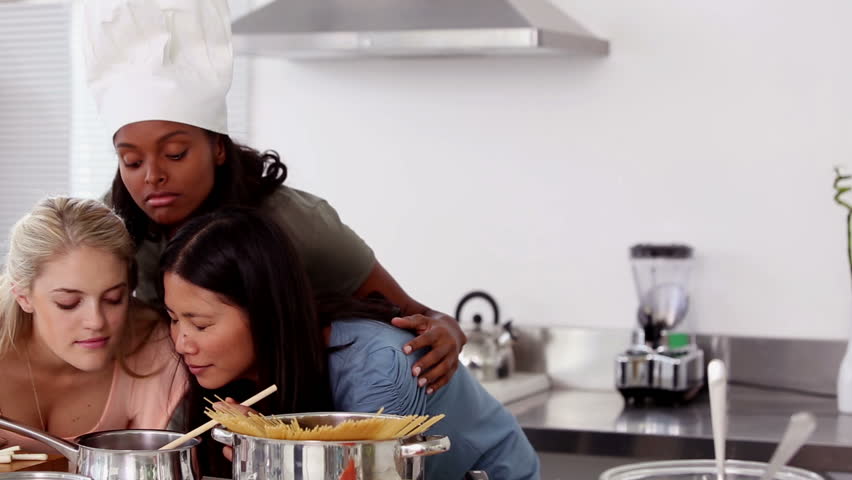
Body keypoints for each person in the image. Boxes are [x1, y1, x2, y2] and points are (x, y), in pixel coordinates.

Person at [82, 0, 465, 394]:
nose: (153, 176)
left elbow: (410, 314)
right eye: (130, 160)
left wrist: (446, 327)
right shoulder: (113, 228)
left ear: (217, 147)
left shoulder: (297, 223)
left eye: (176, 153)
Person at [160, 209, 540, 479]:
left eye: (200, 324)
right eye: (175, 318)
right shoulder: (236, 373)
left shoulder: (380, 366)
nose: (181, 342)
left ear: (264, 311)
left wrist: (273, 456)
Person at [0, 197, 186, 453]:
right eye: (69, 302)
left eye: (114, 299)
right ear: (23, 296)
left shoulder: (154, 346)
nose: (96, 322)